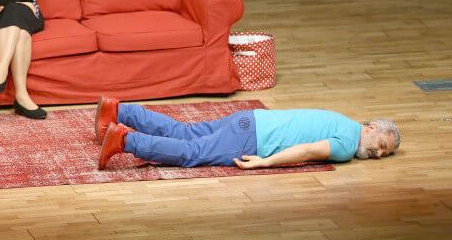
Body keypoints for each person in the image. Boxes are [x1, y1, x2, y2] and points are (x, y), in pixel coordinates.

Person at [94, 96, 400, 170]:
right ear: (371, 128)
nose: (379, 153)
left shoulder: (342, 121)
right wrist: (265, 162)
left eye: (385, 153)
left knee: (185, 132)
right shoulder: (347, 145)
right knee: (192, 153)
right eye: (381, 145)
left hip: (251, 119)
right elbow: (307, 151)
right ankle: (124, 140)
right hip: (253, 138)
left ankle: (119, 110)